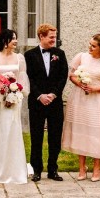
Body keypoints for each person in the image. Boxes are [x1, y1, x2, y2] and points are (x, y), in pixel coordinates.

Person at [63, 34, 100, 182]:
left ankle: (97, 167)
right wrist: (80, 84)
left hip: (99, 102)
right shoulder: (81, 57)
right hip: (80, 98)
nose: (90, 47)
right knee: (81, 131)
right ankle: (82, 168)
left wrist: (94, 89)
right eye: (89, 44)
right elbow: (71, 75)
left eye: (93, 46)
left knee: (96, 132)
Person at [0, 29, 30, 184]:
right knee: (0, 131)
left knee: (12, 131)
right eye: (13, 39)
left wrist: (15, 95)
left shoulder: (19, 58)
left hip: (15, 99)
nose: (15, 41)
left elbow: (22, 78)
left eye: (16, 38)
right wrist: (1, 93)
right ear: (5, 41)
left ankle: (14, 170)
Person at [24, 23, 69, 182]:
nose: (53, 40)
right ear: (41, 36)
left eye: (54, 37)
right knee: (36, 137)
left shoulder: (60, 54)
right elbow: (29, 78)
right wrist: (40, 95)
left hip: (54, 102)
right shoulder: (29, 55)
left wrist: (54, 94)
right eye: (51, 37)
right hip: (37, 102)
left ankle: (53, 169)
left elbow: (63, 76)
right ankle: (37, 170)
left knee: (55, 137)